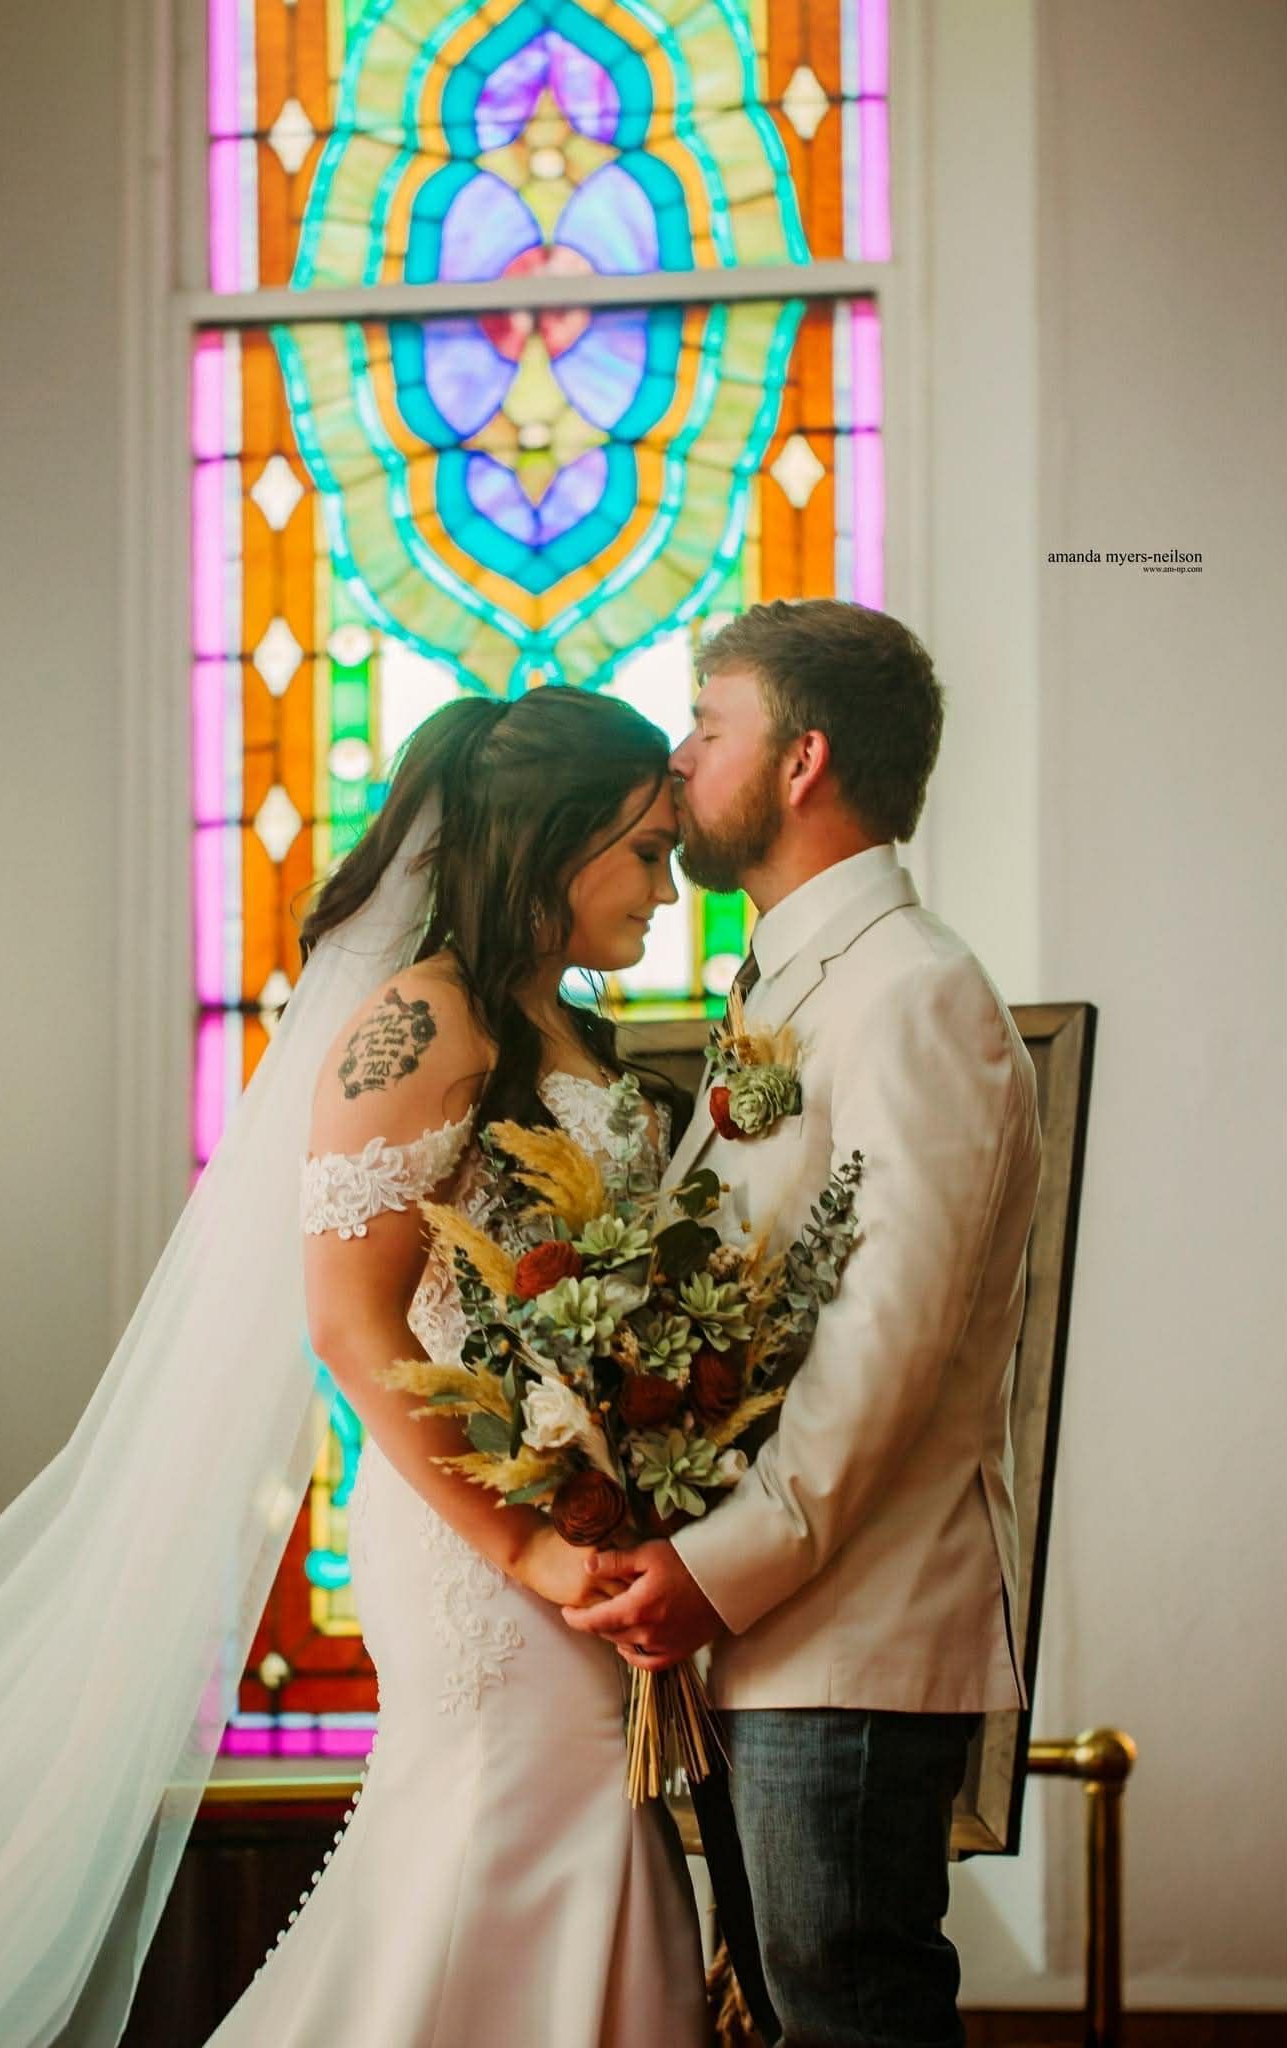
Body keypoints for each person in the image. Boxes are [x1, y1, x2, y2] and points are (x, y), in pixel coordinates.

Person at [0, 687, 706, 2047]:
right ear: (551, 837)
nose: (666, 894)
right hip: (478, 1539)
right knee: (507, 1835)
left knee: (564, 1843)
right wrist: (523, 1547)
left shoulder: (568, 1034)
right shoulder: (419, 1024)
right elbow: (352, 1323)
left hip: (571, 1521)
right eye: (645, 853)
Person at [566, 598, 1043, 2048]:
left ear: (799, 760)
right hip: (774, 1635)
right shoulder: (788, 988)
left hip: (845, 1628)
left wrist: (714, 1571)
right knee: (792, 2013)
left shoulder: (912, 994)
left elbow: (884, 1344)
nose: (677, 755)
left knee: (850, 2014)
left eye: (708, 728)